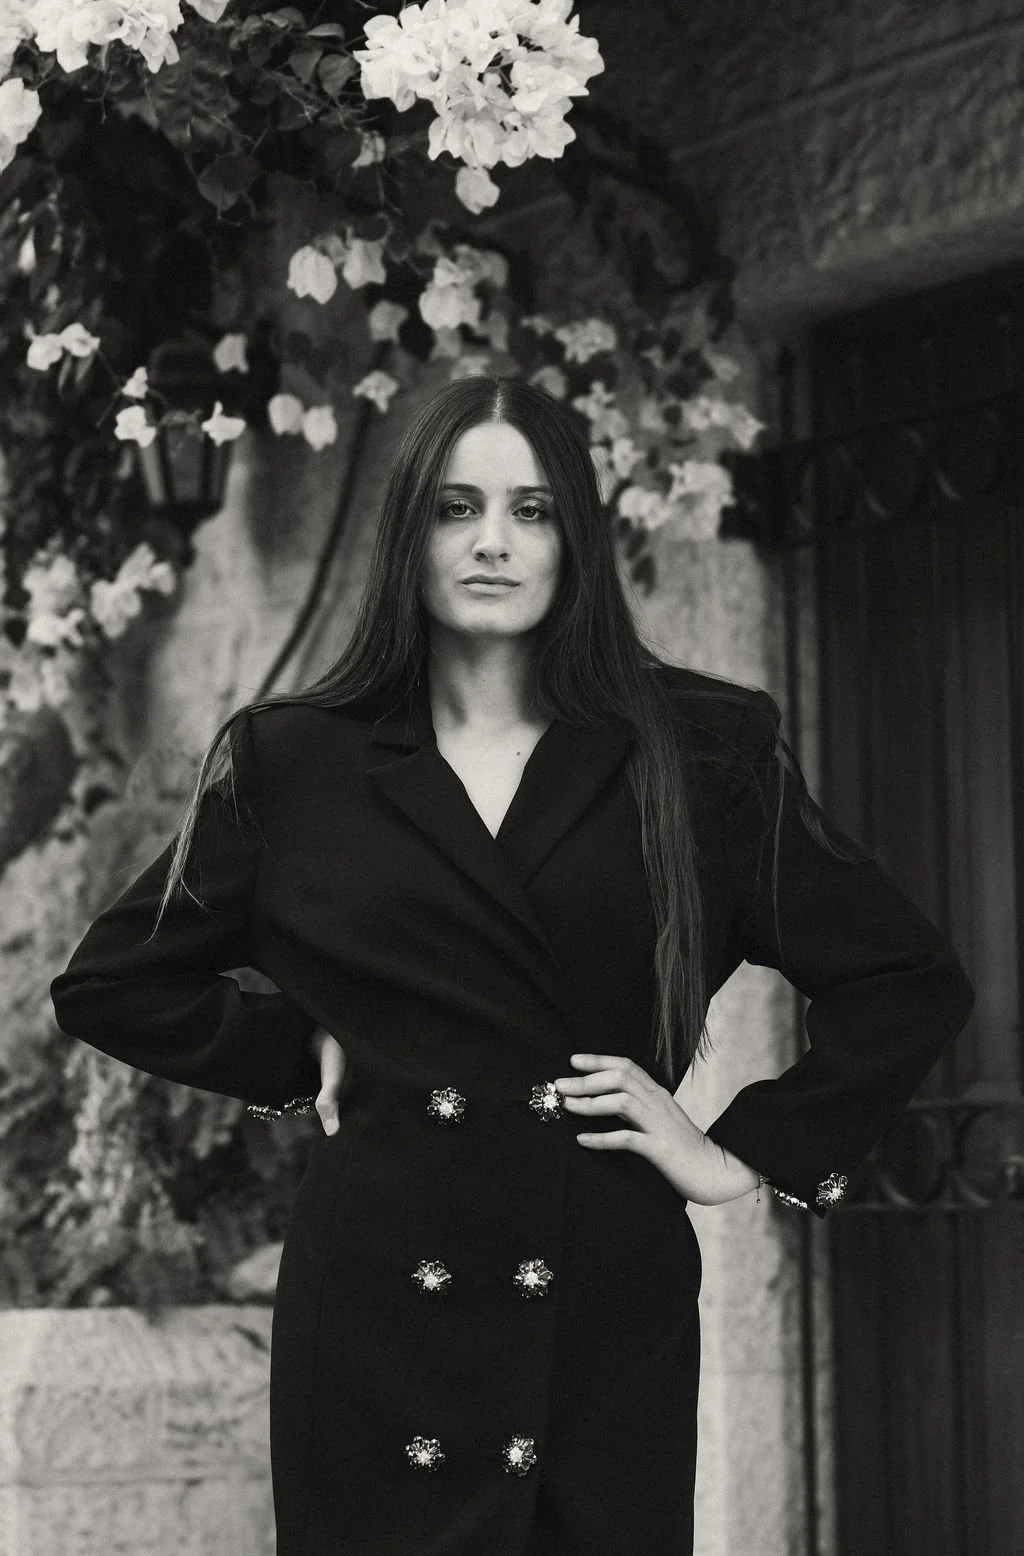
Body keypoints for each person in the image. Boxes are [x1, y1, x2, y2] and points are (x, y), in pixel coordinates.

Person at [50, 375, 975, 1556]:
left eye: (531, 510)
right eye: (457, 507)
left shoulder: (697, 750)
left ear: (575, 536)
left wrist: (737, 1148)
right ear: (408, 535)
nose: (492, 540)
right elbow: (113, 980)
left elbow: (904, 975)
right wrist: (307, 1050)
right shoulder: (293, 759)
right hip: (378, 1308)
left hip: (599, 1302)